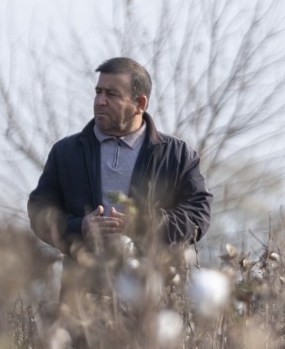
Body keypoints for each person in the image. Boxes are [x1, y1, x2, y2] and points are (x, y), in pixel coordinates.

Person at [27, 57, 212, 277]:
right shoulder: (66, 152)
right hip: (83, 296)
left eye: (111, 94)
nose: (100, 101)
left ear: (140, 104)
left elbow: (198, 214)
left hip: (154, 295)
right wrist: (80, 227)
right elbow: (39, 210)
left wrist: (144, 224)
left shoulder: (178, 155)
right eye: (98, 92)